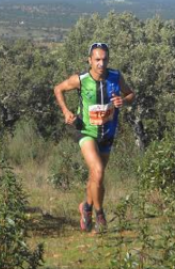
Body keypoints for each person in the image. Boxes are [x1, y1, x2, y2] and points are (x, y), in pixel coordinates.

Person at [54, 42, 135, 233]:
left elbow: (131, 94)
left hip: (107, 133)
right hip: (85, 131)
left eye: (104, 59)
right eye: (97, 59)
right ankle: (100, 215)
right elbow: (58, 89)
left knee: (96, 178)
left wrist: (123, 100)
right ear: (90, 60)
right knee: (97, 171)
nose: (101, 63)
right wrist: (66, 111)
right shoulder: (81, 80)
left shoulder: (116, 77)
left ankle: (86, 207)